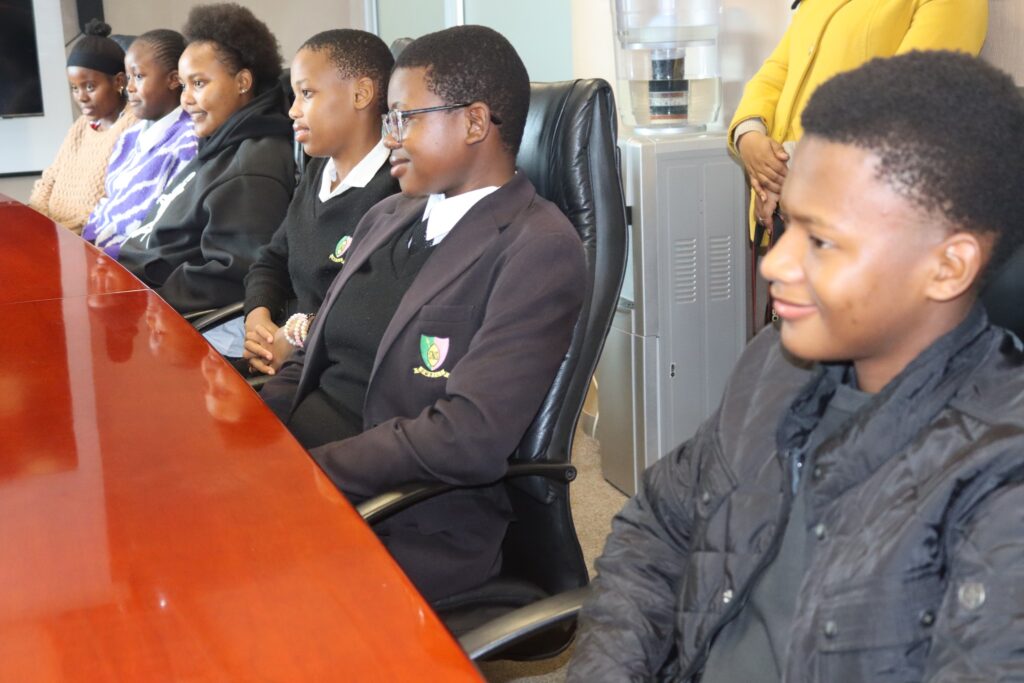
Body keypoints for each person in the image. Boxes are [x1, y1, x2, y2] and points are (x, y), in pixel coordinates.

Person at [568, 51, 1024, 682]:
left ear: (948, 266)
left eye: (821, 240)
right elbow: (657, 528)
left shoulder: (1004, 478)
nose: (774, 265)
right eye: (785, 225)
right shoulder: (774, 363)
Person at [259, 25, 586, 602]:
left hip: (401, 515)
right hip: (303, 471)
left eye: (404, 118)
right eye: (388, 119)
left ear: (474, 122)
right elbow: (316, 353)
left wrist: (308, 471)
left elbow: (468, 435)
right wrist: (257, 430)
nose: (389, 139)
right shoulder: (387, 215)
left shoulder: (537, 247)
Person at [118, 3, 295, 358]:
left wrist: (143, 301)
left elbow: (233, 274)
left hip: (192, 325)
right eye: (184, 85)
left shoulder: (253, 164)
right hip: (140, 293)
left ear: (243, 82)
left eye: (199, 84)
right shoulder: (220, 142)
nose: (185, 100)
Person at [729, 0, 987, 234]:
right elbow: (776, 71)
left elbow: (909, 104)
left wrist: (783, 168)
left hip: (860, 215)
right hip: (787, 203)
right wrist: (750, 137)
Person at [242, 29, 399, 376]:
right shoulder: (317, 172)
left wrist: (297, 338)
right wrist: (258, 318)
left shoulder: (397, 190)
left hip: (339, 373)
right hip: (289, 360)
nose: (293, 111)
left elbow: (371, 307)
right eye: (293, 95)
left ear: (361, 94)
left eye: (307, 94)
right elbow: (272, 259)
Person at [82, 30, 197, 259]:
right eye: (128, 77)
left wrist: (105, 258)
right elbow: (107, 202)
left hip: (133, 265)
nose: (129, 88)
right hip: (97, 256)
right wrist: (85, 245)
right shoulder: (128, 138)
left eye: (139, 76)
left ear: (174, 80)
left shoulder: (188, 142)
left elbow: (159, 227)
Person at [29, 19, 137, 234]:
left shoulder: (133, 126)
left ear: (119, 82)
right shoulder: (80, 126)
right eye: (74, 88)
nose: (81, 97)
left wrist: (60, 232)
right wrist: (36, 223)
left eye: (89, 86)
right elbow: (49, 179)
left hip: (85, 241)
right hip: (51, 234)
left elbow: (111, 204)